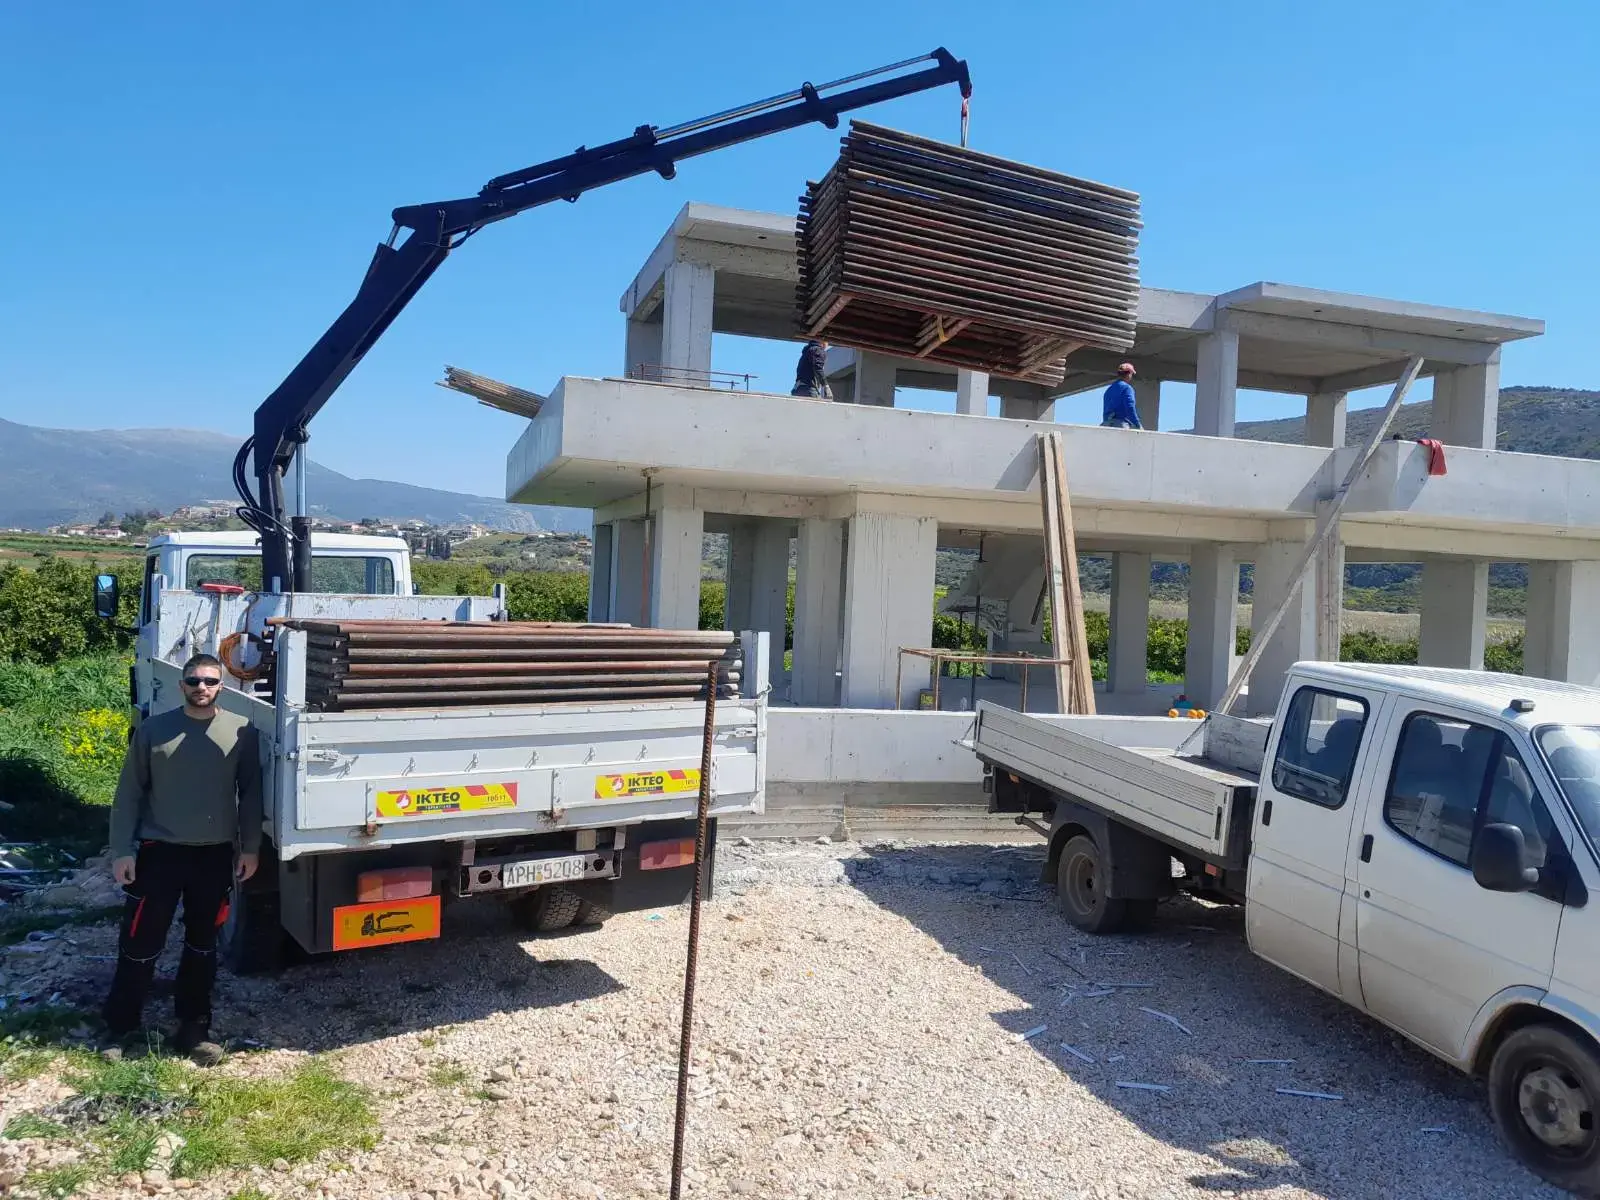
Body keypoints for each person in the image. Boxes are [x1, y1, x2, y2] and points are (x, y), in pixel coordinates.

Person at [102, 652, 262, 1064]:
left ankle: (194, 1029)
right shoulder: (154, 730)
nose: (201, 687)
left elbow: (250, 795)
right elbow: (129, 794)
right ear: (182, 685)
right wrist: (122, 851)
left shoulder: (242, 731)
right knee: (140, 942)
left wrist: (250, 848)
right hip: (160, 853)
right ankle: (120, 1029)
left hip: (213, 855)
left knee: (202, 945)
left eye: (210, 681)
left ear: (222, 685)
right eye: (193, 680)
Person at [1101, 362, 1142, 429]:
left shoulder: (1109, 390)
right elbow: (1130, 408)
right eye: (1131, 374)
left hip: (1106, 425)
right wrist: (1137, 424)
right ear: (1129, 374)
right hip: (1120, 425)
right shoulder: (1127, 388)